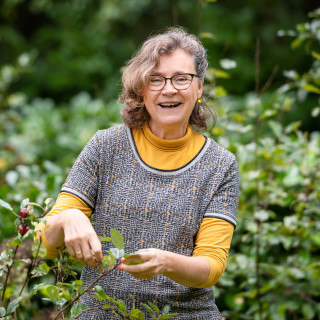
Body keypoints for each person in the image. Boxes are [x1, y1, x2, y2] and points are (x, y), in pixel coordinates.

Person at [36, 27, 239, 319]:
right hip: (100, 312)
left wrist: (165, 262)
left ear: (199, 88)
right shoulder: (106, 146)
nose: (168, 89)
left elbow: (211, 267)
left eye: (181, 78)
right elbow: (42, 244)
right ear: (141, 90)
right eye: (155, 79)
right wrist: (68, 218)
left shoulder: (220, 165)